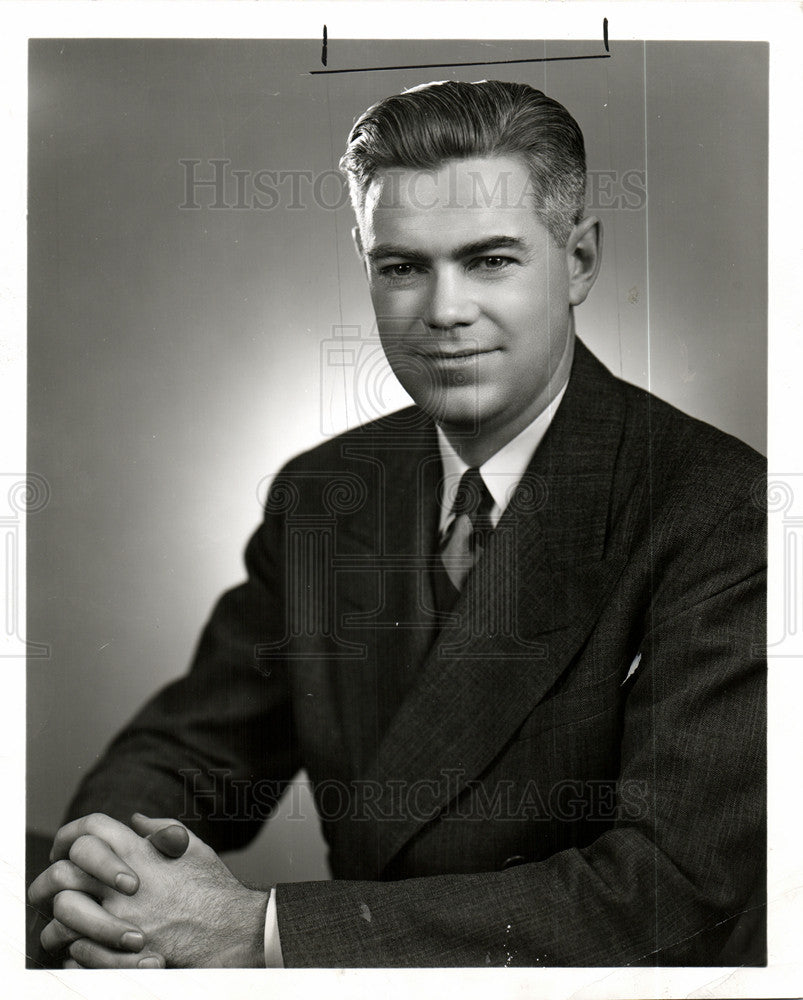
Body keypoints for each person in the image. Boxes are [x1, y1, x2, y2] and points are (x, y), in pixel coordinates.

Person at [28, 79, 766, 968]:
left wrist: (258, 935)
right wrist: (112, 869)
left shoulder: (719, 507)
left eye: (490, 260)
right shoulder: (325, 490)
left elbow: (669, 893)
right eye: (402, 266)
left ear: (577, 261)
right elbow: (192, 746)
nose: (443, 312)